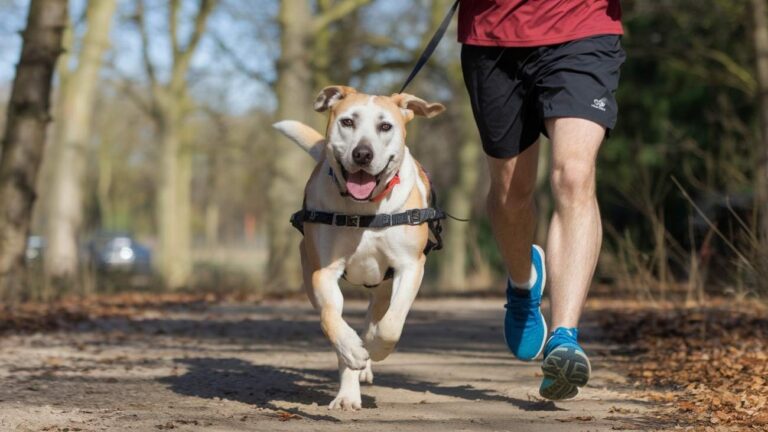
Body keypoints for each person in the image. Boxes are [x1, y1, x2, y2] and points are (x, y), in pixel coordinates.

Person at [458, 0, 626, 400]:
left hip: (584, 28)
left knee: (574, 175)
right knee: (511, 194)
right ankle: (523, 283)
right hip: (492, 35)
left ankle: (565, 337)